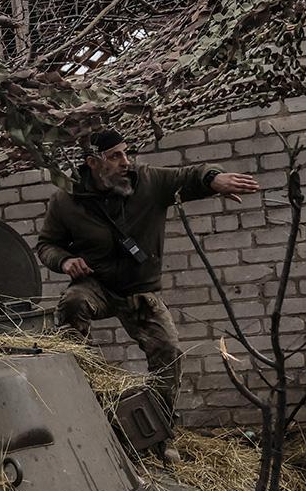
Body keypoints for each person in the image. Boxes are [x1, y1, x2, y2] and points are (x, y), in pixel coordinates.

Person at [36, 129, 259, 458]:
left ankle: (157, 435)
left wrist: (214, 179)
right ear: (92, 162)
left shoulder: (149, 182)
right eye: (115, 156)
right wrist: (65, 260)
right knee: (73, 302)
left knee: (169, 352)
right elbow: (46, 245)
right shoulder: (66, 200)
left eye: (127, 153)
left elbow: (189, 175)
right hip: (97, 285)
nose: (126, 162)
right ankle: (86, 385)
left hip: (141, 292)